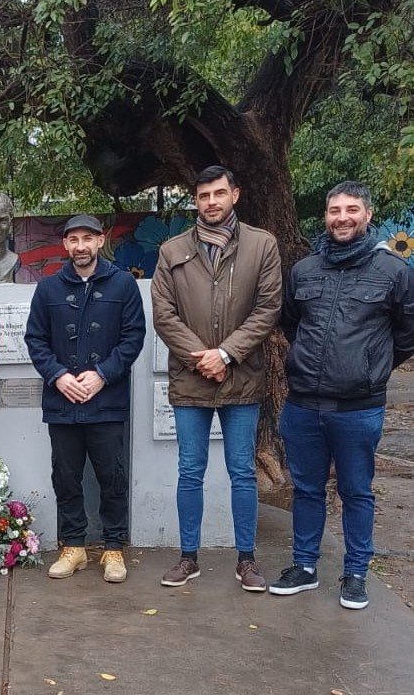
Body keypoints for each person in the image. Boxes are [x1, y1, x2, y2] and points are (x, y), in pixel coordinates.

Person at [269, 181, 414, 609]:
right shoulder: (305, 270)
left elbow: (406, 335)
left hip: (358, 409)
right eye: (335, 210)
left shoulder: (393, 272)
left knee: (356, 490)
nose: (342, 217)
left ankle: (355, 573)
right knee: (307, 489)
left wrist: (371, 367)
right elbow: (292, 323)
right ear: (326, 217)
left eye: (352, 209)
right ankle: (305, 566)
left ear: (367, 215)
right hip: (303, 404)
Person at [151, 166, 281, 592]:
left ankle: (246, 560)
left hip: (242, 378)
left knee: (242, 471)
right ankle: (189, 558)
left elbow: (267, 309)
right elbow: (164, 316)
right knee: (190, 471)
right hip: (192, 380)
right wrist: (203, 359)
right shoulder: (171, 251)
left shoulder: (262, 245)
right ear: (196, 200)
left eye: (219, 193)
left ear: (235, 195)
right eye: (204, 195)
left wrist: (226, 354)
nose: (211, 201)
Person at [24, 215, 145, 582]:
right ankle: (73, 547)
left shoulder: (124, 285)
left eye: (87, 238)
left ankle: (113, 549)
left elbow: (133, 338)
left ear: (100, 240)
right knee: (66, 477)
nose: (80, 246)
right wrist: (58, 376)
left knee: (112, 477)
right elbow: (35, 340)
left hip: (106, 402)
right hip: (62, 403)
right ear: (65, 245)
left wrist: (102, 375)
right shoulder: (47, 289)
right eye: (73, 239)